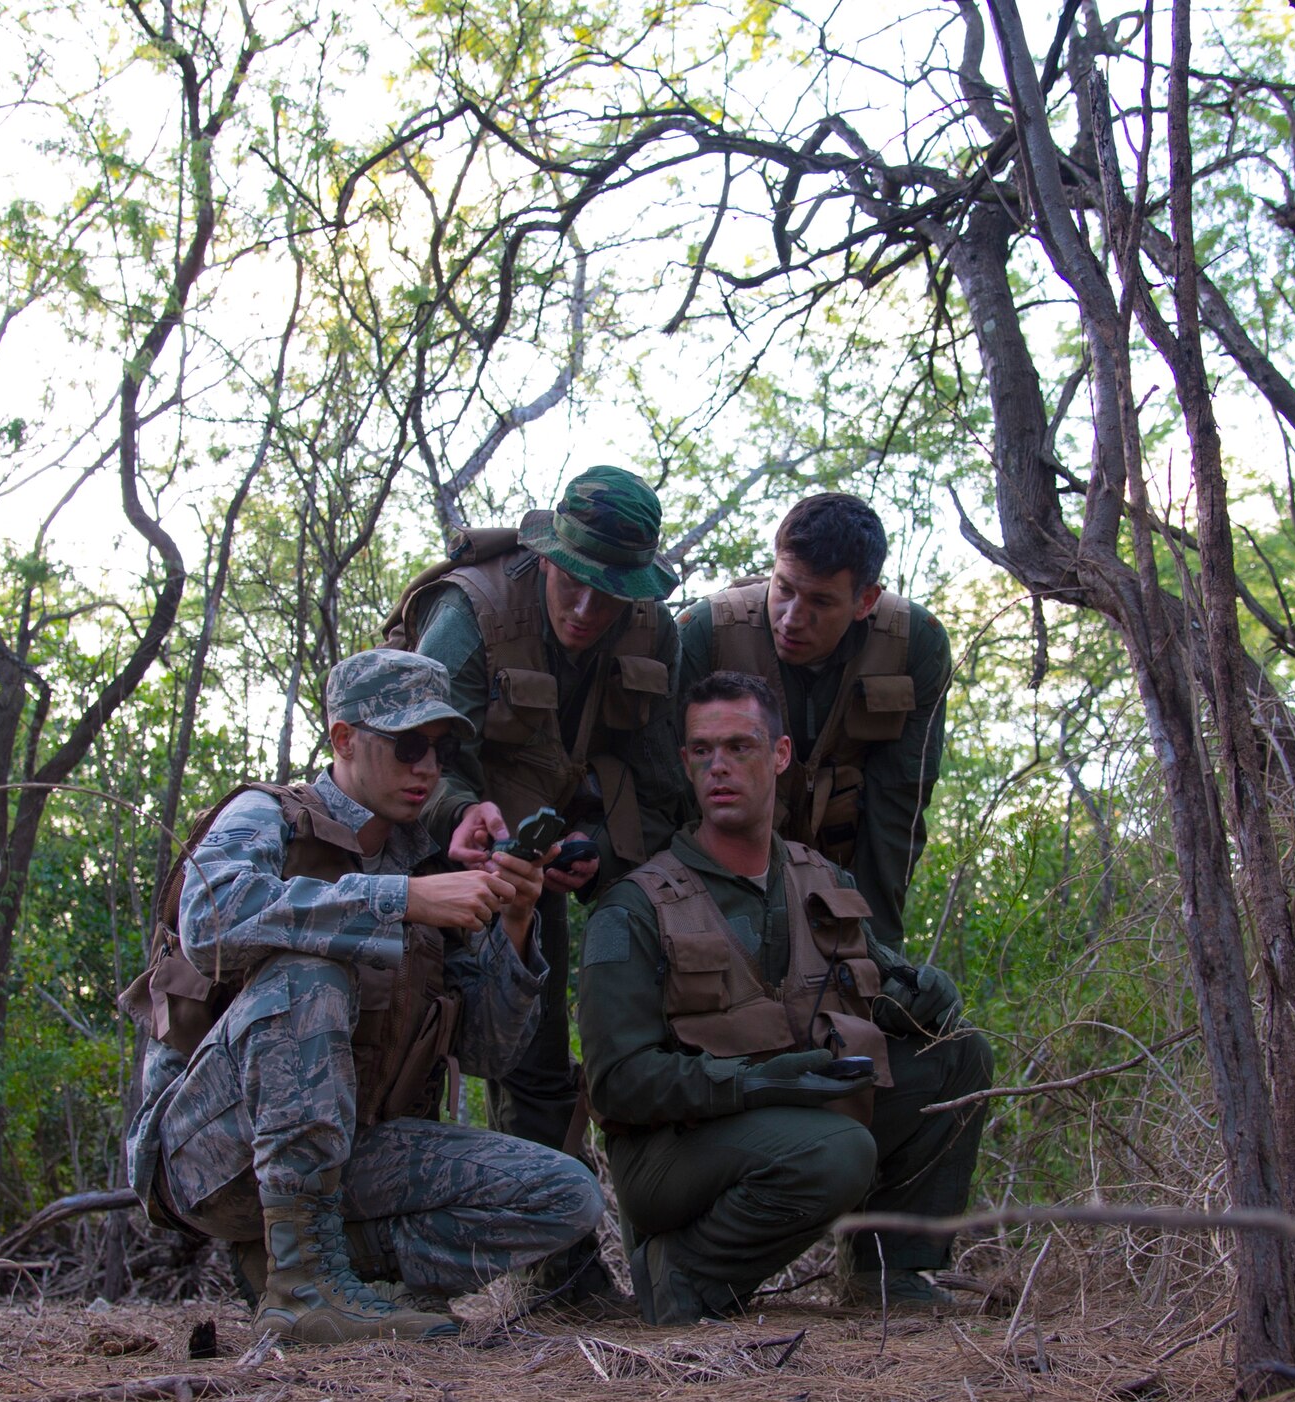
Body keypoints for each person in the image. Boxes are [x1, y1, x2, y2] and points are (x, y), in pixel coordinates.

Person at [123, 648, 606, 1346]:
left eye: (441, 750)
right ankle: (304, 1287)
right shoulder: (268, 815)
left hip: (350, 1148)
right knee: (308, 976)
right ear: (343, 739)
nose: (428, 768)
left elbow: (489, 1051)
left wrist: (516, 923)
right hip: (206, 1153)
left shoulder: (430, 860)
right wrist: (402, 900)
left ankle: (322, 1271)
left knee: (566, 1196)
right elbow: (211, 923)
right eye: (408, 745)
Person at [577, 670, 991, 1324]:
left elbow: (872, 987)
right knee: (837, 1150)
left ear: (779, 755)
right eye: (702, 751)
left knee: (956, 1057)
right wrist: (752, 1083)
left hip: (795, 1116)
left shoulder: (819, 878)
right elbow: (618, 1085)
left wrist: (921, 997)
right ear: (685, 763)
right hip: (674, 1156)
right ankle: (685, 1274)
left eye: (740, 747)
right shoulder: (634, 909)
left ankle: (893, 1274)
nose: (719, 766)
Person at [386, 465, 686, 1314]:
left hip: (552, 855)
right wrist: (461, 813)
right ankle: (399, 1266)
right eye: (574, 581)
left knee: (560, 1055)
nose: (588, 611)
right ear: (547, 554)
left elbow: (653, 775)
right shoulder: (473, 611)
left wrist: (602, 851)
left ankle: (568, 1269)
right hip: (435, 850)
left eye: (611, 593)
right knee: (433, 1049)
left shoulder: (651, 635)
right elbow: (414, 752)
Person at [676, 491, 950, 949]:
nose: (791, 619)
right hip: (719, 875)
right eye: (783, 588)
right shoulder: (706, 633)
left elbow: (899, 803)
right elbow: (676, 793)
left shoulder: (914, 645)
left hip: (841, 875)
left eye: (820, 602)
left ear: (865, 600)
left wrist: (874, 945)